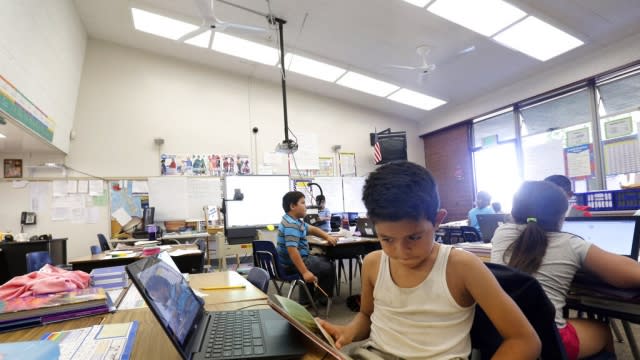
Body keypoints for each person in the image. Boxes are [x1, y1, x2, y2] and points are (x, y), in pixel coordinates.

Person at [318, 161, 540, 359]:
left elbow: (525, 340)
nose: (401, 251)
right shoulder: (373, 263)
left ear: (437, 220)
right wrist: (348, 331)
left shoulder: (462, 267)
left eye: (413, 237)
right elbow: (367, 316)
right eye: (386, 239)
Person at [491, 180, 640, 359]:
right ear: (562, 218)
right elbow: (631, 274)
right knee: (602, 330)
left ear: (514, 211)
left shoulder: (501, 234)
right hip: (548, 342)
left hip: (501, 334)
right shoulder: (571, 244)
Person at [277, 191, 337, 305]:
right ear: (292, 206)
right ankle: (323, 299)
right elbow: (292, 251)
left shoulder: (292, 220)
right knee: (329, 265)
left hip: (288, 262)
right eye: (303, 203)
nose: (306, 206)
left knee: (321, 260)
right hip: (292, 264)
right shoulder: (292, 225)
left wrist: (327, 236)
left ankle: (307, 299)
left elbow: (312, 229)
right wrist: (304, 272)